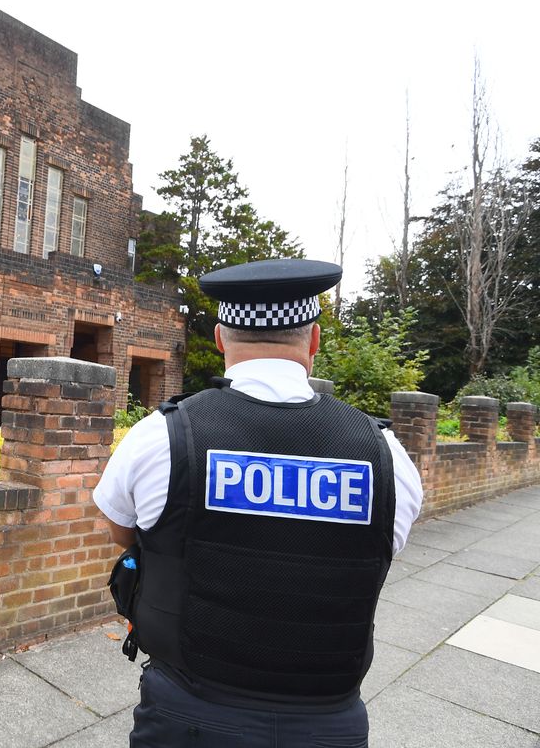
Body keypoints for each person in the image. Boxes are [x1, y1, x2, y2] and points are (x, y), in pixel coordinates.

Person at [95, 258, 423, 748]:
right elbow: (370, 553)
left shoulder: (162, 436)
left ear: (221, 338)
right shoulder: (385, 457)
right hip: (327, 723)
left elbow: (120, 530)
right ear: (313, 341)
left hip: (188, 714)